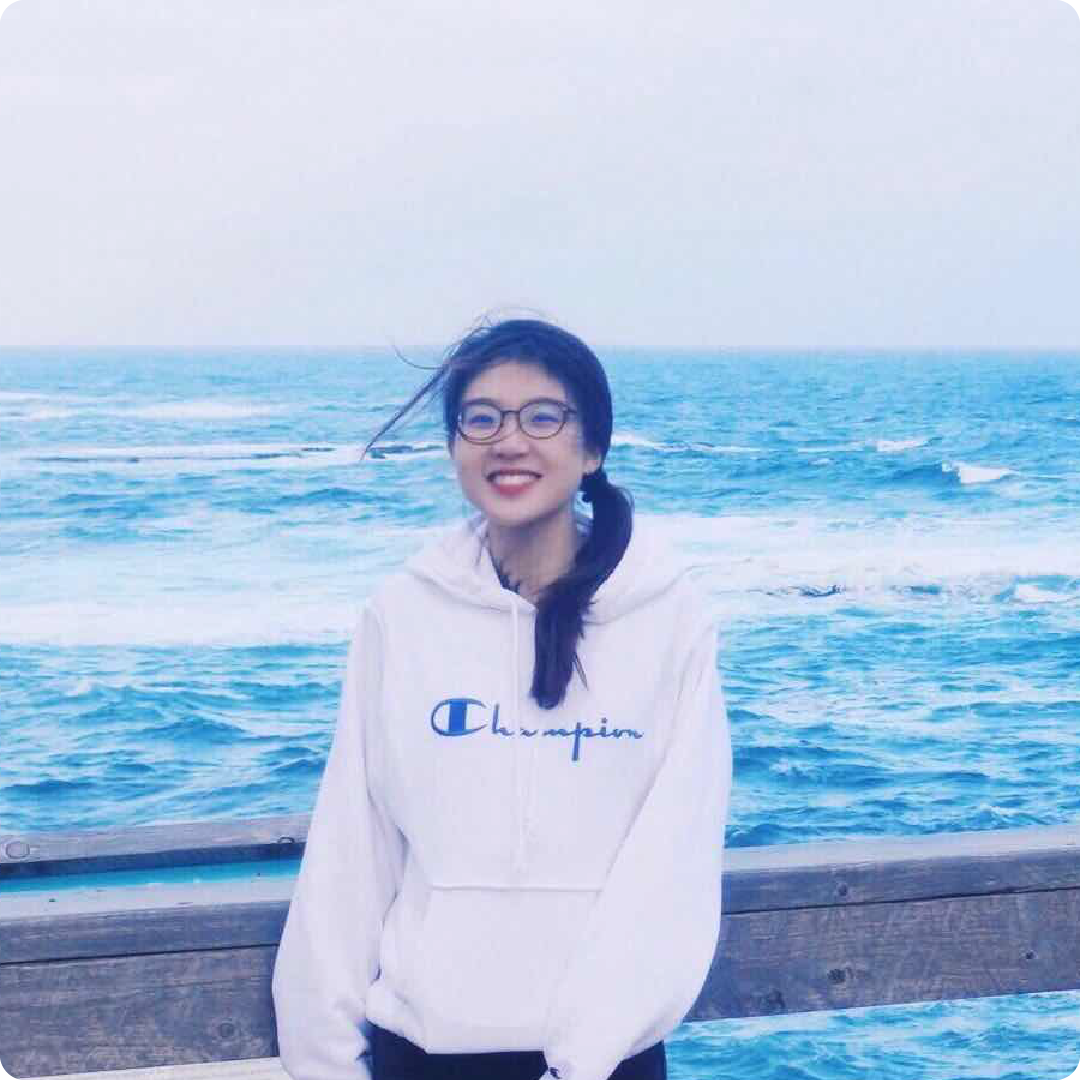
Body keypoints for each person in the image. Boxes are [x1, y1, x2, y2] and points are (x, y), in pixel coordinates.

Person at [271, 317, 733, 1080]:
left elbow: (672, 865)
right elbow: (353, 848)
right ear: (454, 446)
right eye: (480, 419)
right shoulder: (404, 613)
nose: (508, 441)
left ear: (592, 449)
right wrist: (323, 1059)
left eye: (543, 416)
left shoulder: (668, 618)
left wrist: (583, 1058)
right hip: (421, 1055)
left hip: (603, 1063)